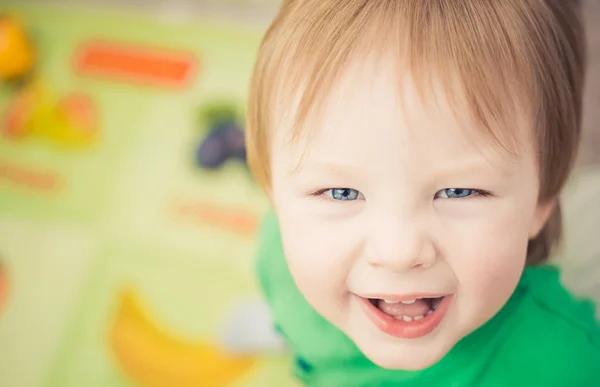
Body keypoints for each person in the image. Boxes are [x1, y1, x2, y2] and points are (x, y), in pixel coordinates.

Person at [244, 0, 600, 385]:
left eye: (459, 191)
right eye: (341, 193)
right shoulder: (279, 255)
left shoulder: (560, 365)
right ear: (273, 193)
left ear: (544, 197)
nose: (399, 252)